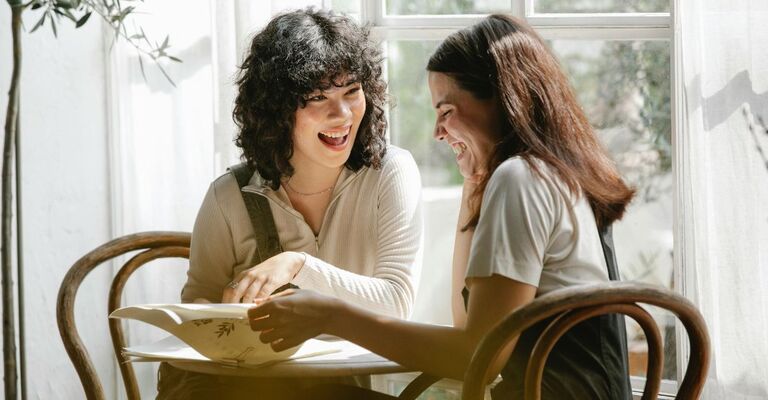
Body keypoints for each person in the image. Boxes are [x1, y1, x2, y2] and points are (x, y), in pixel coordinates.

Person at [248, 14, 635, 400]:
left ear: (503, 100)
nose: (437, 132)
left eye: (446, 111)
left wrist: (331, 315)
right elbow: (466, 324)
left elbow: (475, 358)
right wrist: (474, 182)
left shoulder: (520, 179)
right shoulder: (552, 173)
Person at [157, 8, 423, 399]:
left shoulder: (390, 173)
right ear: (277, 111)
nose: (343, 114)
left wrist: (298, 265)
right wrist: (225, 311)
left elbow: (397, 303)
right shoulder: (229, 195)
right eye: (317, 97)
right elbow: (199, 302)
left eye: (352, 91)